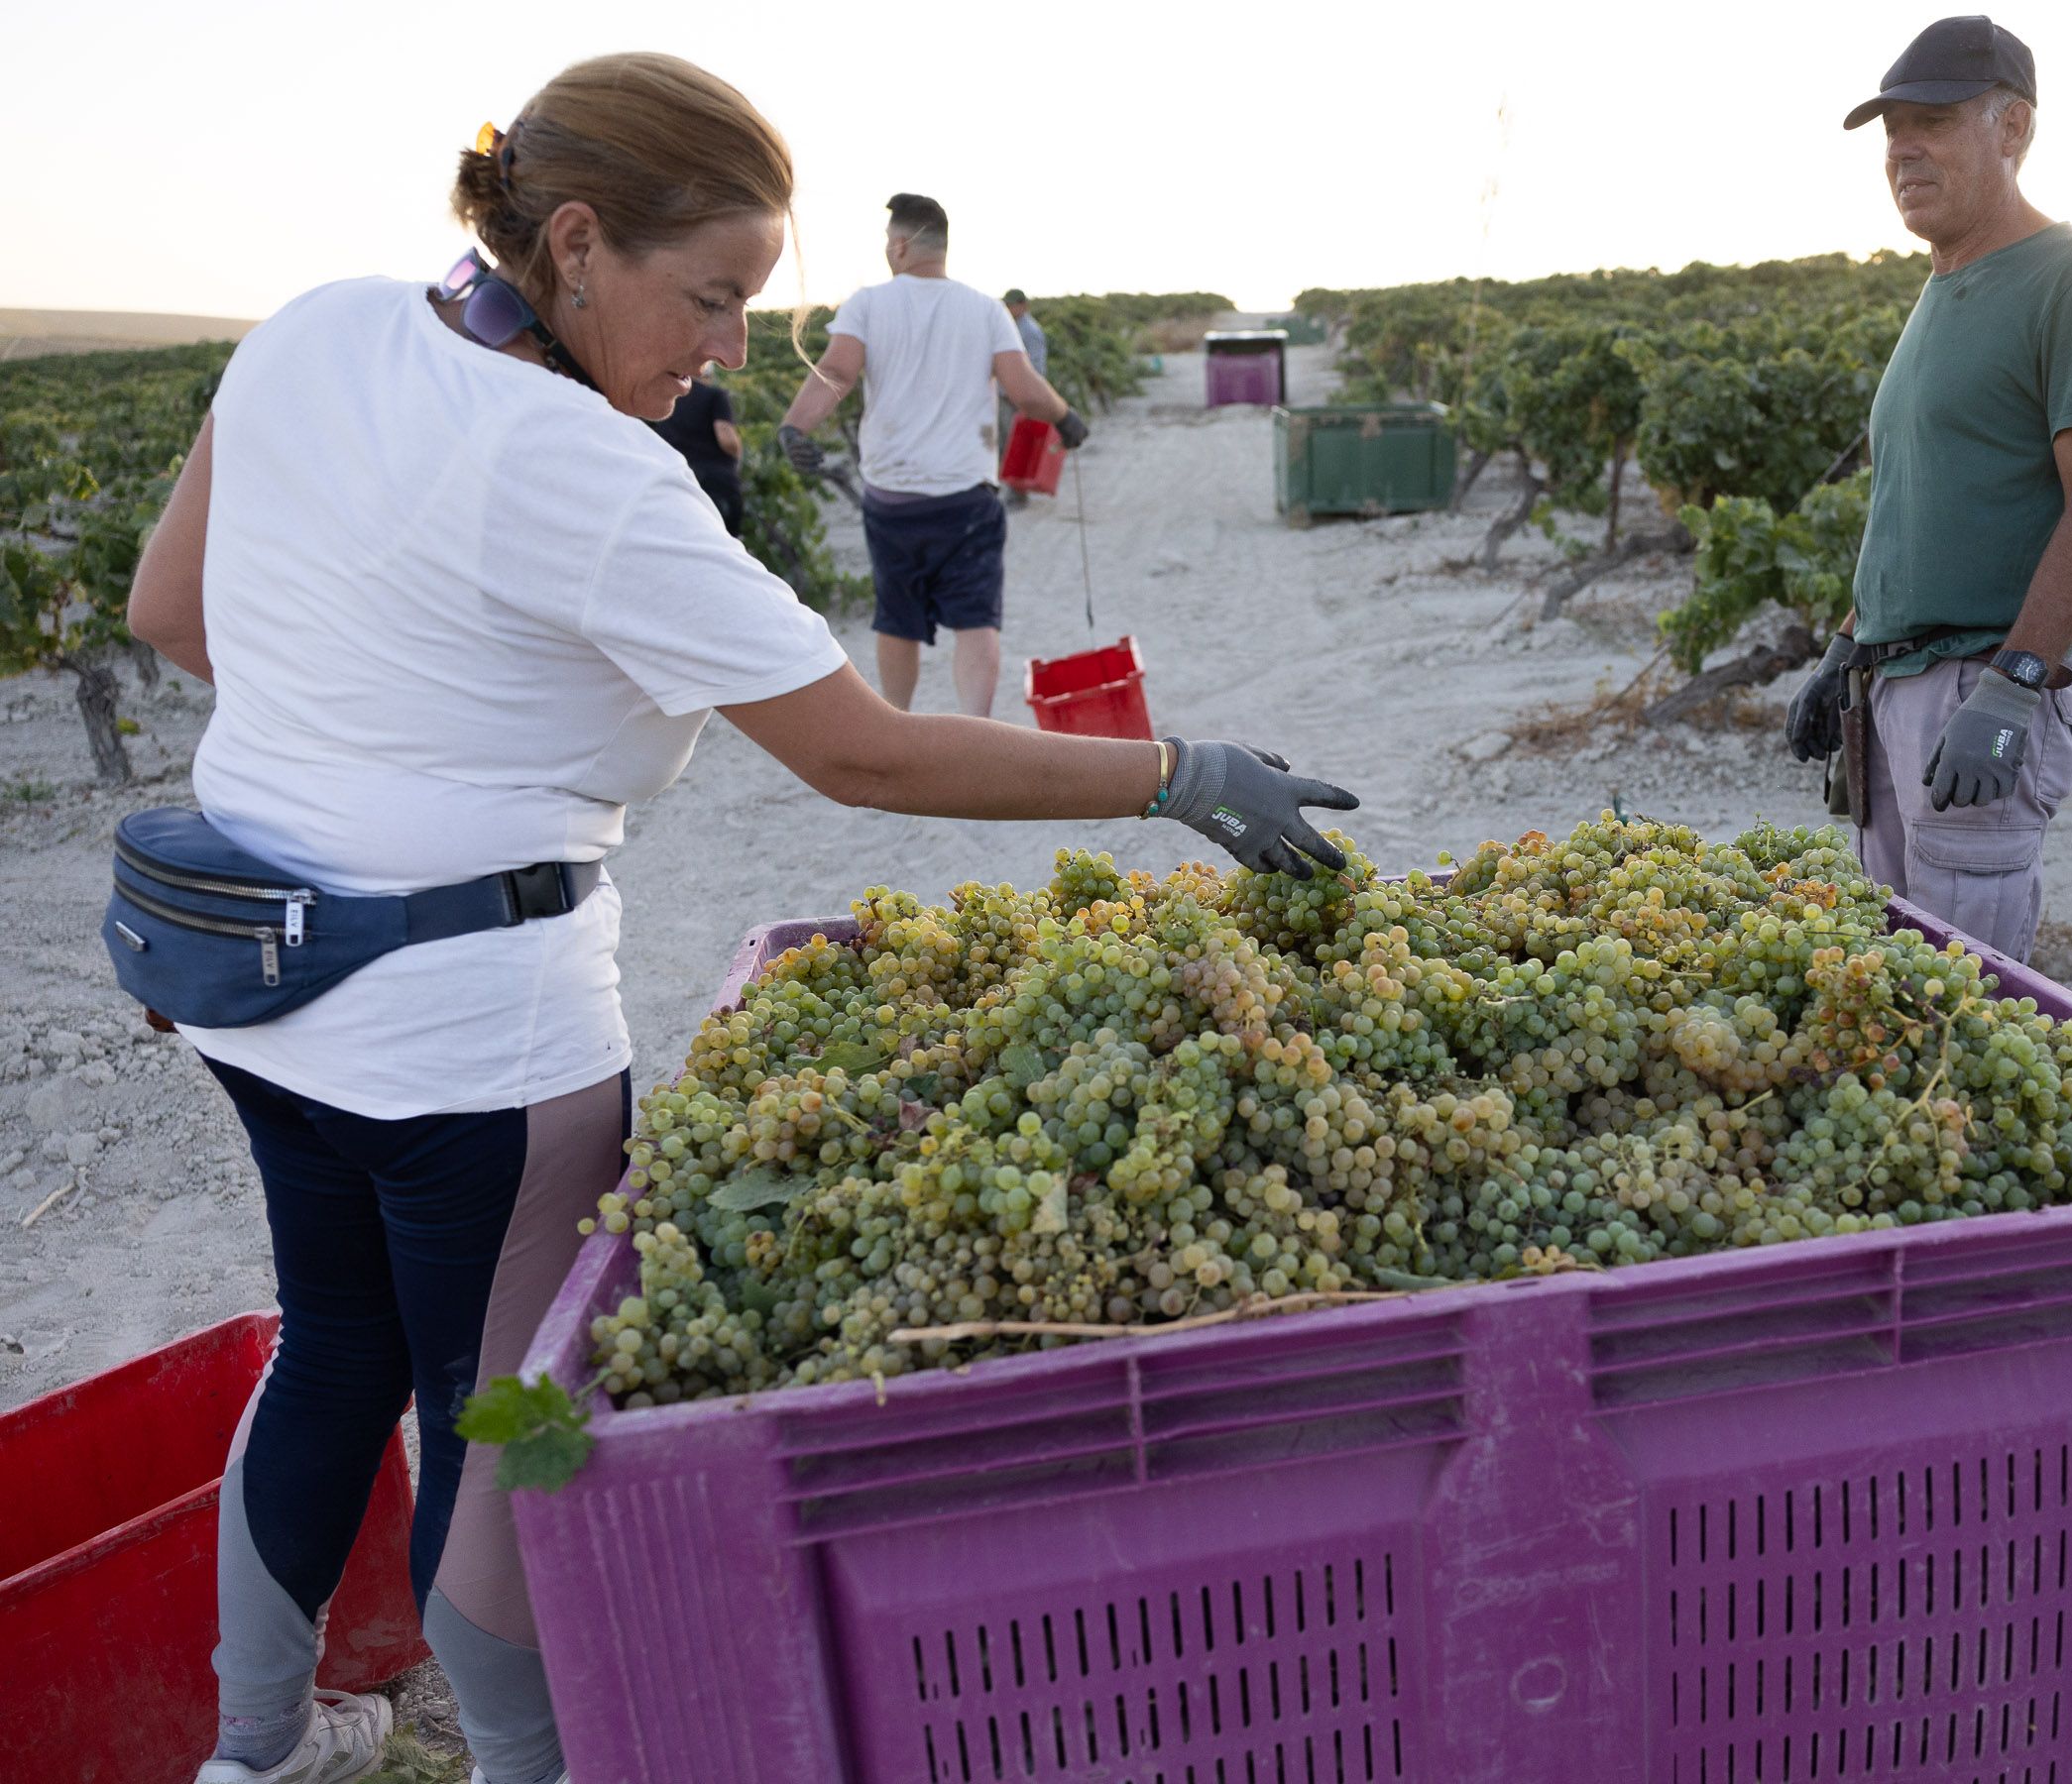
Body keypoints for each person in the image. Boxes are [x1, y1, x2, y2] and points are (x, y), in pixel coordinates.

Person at [122, 54, 1354, 1784]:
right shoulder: (589, 475)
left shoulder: (315, 327)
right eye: (710, 299)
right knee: (502, 1422)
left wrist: (383, 711)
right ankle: (519, 1766)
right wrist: (1176, 774)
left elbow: (171, 610)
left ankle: (246, 1757)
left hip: (257, 982)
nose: (728, 349)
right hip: (476, 1039)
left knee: (330, 1342)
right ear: (572, 240)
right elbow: (861, 754)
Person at [1786, 14, 2072, 963]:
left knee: (1962, 1004)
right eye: (1892, 128)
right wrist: (1845, 646)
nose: (1904, 148)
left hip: (1977, 691)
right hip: (1893, 688)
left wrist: (2016, 686)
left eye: (1934, 122)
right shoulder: (1942, 284)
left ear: (2013, 128)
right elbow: (1915, 505)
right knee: (1892, 984)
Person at [775, 197, 1084, 717]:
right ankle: (977, 735)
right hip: (965, 499)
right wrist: (1066, 417)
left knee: (897, 619)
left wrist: (793, 426)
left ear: (899, 245)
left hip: (892, 500)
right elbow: (1024, 389)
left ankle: (897, 721)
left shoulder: (868, 304)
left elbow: (837, 373)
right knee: (976, 622)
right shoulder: (985, 308)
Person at [647, 359, 744, 533]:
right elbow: (726, 438)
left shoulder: (667, 399)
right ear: (708, 375)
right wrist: (738, 456)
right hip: (713, 483)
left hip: (672, 482)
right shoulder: (715, 396)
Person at [998, 286, 1048, 506]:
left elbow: (1036, 368)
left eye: (1012, 305)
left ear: (1023, 306)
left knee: (1017, 446)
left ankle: (1019, 495)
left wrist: (1025, 396)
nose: (1008, 308)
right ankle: (1010, 489)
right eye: (1006, 305)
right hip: (1005, 396)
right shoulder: (1011, 326)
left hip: (1018, 399)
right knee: (1004, 445)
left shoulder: (1031, 331)